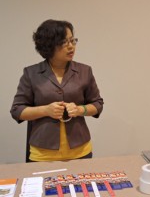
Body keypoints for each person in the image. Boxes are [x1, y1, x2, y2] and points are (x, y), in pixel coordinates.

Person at [11, 19, 104, 162]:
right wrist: (46, 110)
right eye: (64, 42)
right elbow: (17, 110)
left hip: (80, 151)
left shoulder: (85, 71)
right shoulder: (31, 73)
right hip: (43, 153)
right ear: (49, 45)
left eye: (72, 40)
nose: (71, 46)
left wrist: (80, 110)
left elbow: (97, 104)